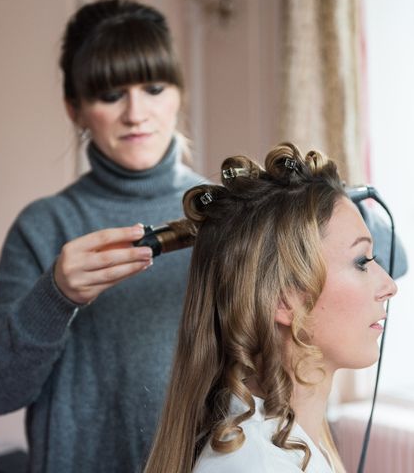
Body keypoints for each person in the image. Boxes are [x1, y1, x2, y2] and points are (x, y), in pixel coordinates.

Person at [0, 0, 204, 472]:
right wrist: (55, 296)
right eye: (111, 95)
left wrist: (324, 200)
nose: (137, 114)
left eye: (154, 88)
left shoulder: (229, 212)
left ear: (178, 93)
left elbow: (388, 259)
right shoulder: (43, 226)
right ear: (75, 109)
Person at [144, 143, 398, 473]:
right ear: (281, 300)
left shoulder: (287, 448)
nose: (390, 286)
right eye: (362, 261)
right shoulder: (251, 464)